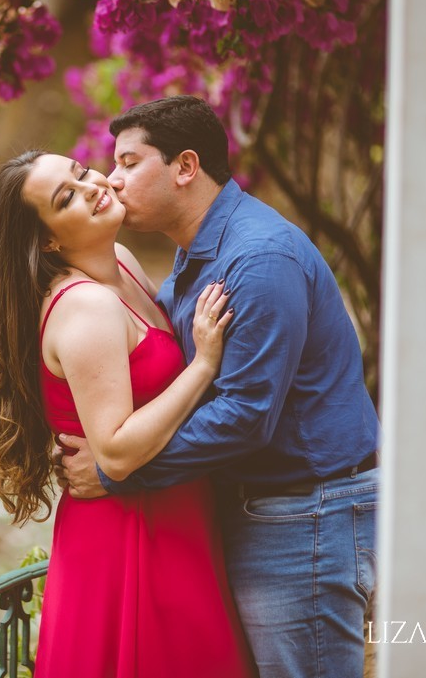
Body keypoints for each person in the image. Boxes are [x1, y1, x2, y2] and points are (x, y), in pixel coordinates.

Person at [56, 95, 381, 678]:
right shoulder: (197, 252)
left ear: (185, 167)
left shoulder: (257, 260)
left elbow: (244, 415)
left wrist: (118, 472)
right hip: (266, 511)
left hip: (305, 517)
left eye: (129, 163)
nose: (112, 178)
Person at [0, 149, 252, 678]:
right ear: (48, 240)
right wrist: (204, 365)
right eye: (66, 198)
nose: (93, 186)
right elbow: (115, 452)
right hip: (131, 535)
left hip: (175, 515)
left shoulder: (122, 262)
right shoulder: (85, 306)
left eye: (81, 173)